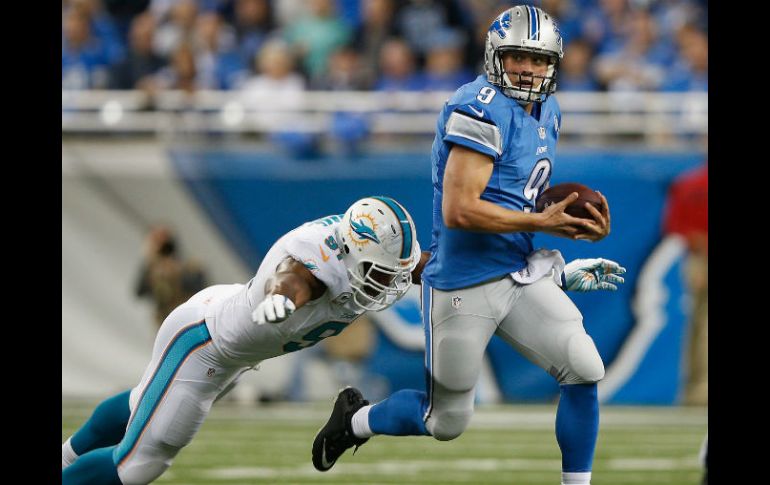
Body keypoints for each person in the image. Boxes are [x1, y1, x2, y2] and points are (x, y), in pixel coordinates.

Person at [312, 7, 625, 485]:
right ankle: (353, 421)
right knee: (446, 422)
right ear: (495, 57)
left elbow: (522, 194)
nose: (528, 68)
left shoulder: (550, 109)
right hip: (462, 281)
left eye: (539, 60)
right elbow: (461, 209)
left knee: (584, 368)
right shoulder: (479, 106)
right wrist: (542, 221)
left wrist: (573, 222)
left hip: (518, 273)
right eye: (518, 56)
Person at [61, 196, 427, 485]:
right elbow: (293, 277)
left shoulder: (360, 248)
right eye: (380, 275)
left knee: (142, 401)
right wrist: (282, 299)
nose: (387, 285)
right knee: (140, 463)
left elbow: (419, 266)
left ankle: (66, 456)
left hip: (226, 335)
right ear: (350, 254)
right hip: (204, 345)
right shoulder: (316, 260)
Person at [134, 225, 207, 329]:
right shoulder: (153, 270)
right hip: (168, 325)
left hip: (189, 324)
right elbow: (139, 291)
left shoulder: (188, 268)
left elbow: (199, 289)